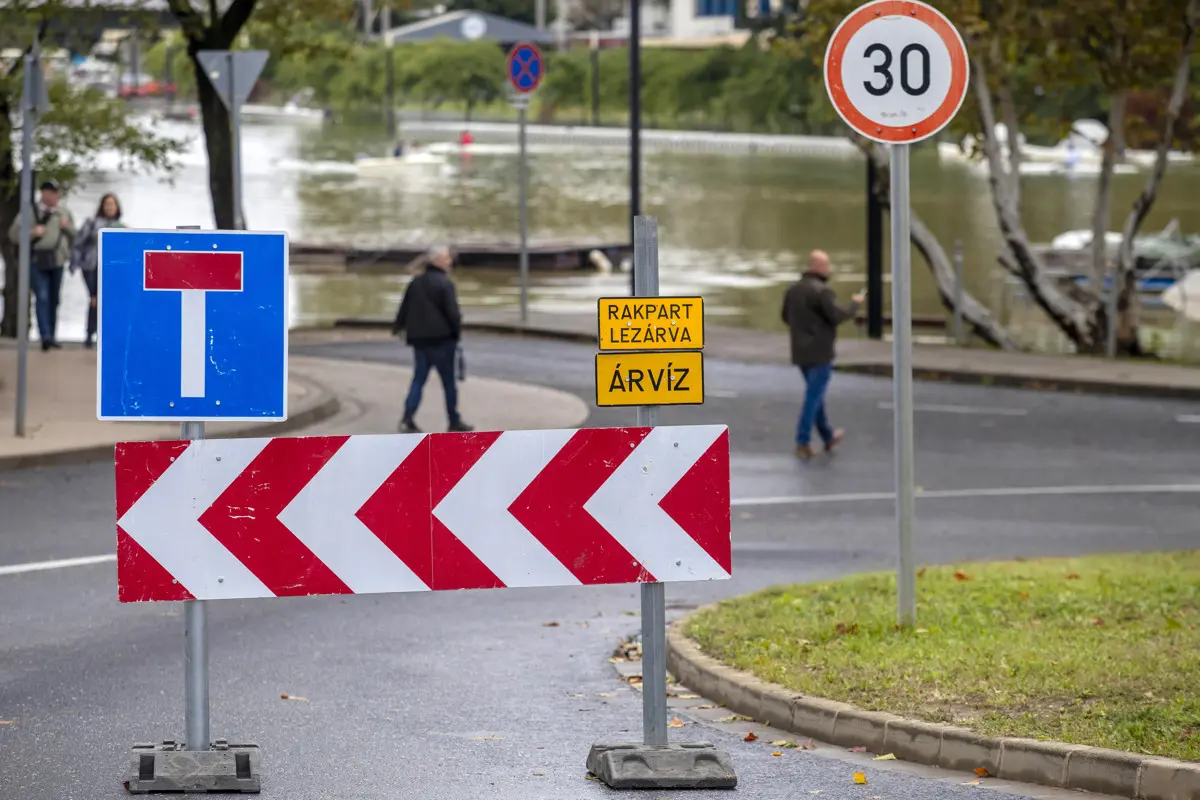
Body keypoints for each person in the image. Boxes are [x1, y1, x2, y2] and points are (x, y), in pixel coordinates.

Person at [782, 250, 864, 460]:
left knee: (815, 394)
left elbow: (785, 316)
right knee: (813, 397)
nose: (829, 270)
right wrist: (854, 304)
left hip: (800, 352)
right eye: (827, 266)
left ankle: (828, 436)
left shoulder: (793, 291)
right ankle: (803, 441)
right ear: (818, 268)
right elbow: (837, 316)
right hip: (820, 352)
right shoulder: (823, 292)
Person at [392, 245, 474, 433]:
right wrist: (456, 332)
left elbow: (404, 307)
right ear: (436, 261)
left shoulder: (416, 282)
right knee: (448, 383)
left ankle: (407, 418)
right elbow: (452, 313)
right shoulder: (445, 284)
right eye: (446, 259)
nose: (450, 262)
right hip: (442, 340)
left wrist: (398, 327)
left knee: (418, 379)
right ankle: (454, 420)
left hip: (420, 341)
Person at [8, 179, 75, 351]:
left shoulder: (63, 212)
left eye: (57, 192)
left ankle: (51, 335)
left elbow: (76, 235)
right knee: (42, 296)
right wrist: (32, 232)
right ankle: (45, 335)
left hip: (57, 261)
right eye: (51, 192)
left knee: (54, 298)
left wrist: (67, 228)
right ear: (44, 193)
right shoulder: (30, 212)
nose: (55, 196)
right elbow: (13, 235)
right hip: (36, 261)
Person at [70, 193, 125, 348]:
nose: (109, 207)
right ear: (102, 206)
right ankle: (89, 334)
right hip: (91, 266)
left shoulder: (121, 226)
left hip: (110, 269)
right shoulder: (91, 222)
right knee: (94, 299)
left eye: (112, 204)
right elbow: (78, 242)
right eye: (107, 204)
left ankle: (106, 334)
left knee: (107, 301)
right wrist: (74, 263)